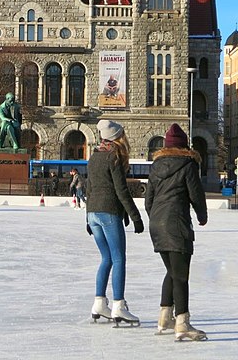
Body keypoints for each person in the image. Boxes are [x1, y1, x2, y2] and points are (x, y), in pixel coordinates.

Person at [144, 123, 208, 341]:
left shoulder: (156, 166)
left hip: (157, 224)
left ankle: (165, 317)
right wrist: (202, 215)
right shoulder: (188, 165)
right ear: (184, 145)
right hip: (177, 223)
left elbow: (148, 200)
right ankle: (182, 322)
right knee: (181, 275)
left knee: (172, 270)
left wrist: (156, 217)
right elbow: (196, 194)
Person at [86, 119, 143, 327]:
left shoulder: (94, 157)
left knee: (106, 258)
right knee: (118, 259)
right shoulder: (114, 156)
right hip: (109, 212)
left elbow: (89, 188)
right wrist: (135, 217)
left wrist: (87, 217)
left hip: (93, 213)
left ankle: (99, 303)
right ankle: (118, 305)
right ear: (116, 137)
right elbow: (121, 191)